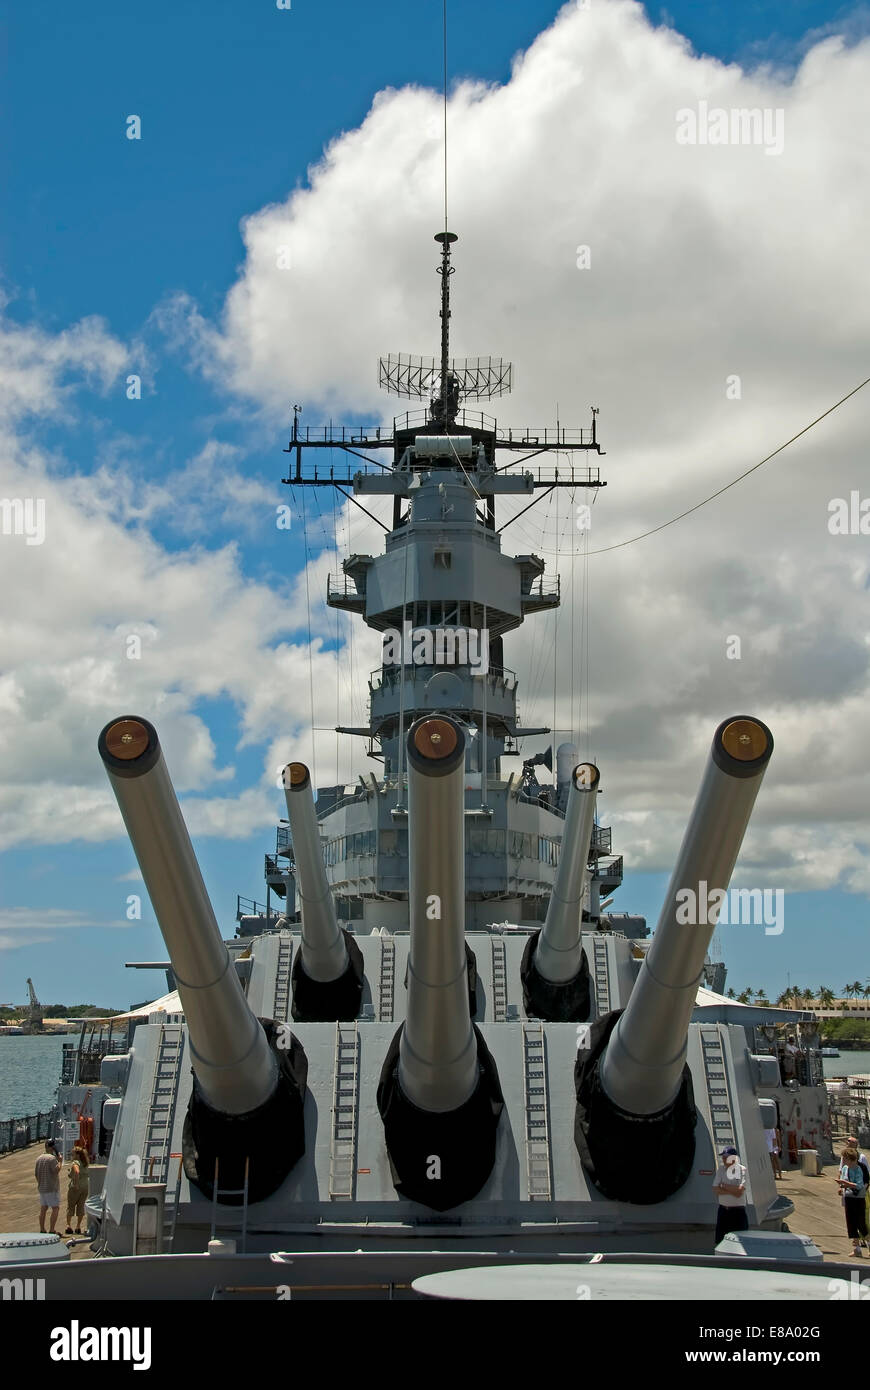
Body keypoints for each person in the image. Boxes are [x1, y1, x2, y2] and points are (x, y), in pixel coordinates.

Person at [712, 1145, 749, 1246]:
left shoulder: (742, 1170)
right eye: (723, 1157)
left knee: (740, 1242)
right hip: (723, 1211)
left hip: (738, 1213)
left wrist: (724, 1186)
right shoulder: (721, 1170)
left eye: (726, 1157)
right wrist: (733, 1190)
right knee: (720, 1242)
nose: (723, 1160)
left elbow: (740, 1192)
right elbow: (715, 1189)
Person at [837, 1145, 869, 1258]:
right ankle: (857, 1250)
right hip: (849, 1198)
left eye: (845, 1158)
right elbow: (844, 1180)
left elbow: (860, 1185)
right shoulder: (845, 1169)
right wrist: (842, 1187)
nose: (843, 1160)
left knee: (861, 1224)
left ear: (850, 1159)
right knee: (851, 1224)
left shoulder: (859, 1168)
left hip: (858, 1199)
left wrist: (846, 1184)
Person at [34, 1138, 62, 1234]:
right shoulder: (52, 1158)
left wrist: (40, 1183)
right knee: (55, 1208)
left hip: (42, 1188)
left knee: (43, 1208)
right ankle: (52, 1229)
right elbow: (56, 1170)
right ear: (53, 1148)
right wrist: (60, 1161)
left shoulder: (39, 1158)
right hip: (52, 1188)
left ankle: (42, 1229)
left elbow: (36, 1174)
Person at [65, 1143, 90, 1235]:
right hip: (85, 1186)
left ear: (77, 1155)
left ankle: (68, 1225)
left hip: (76, 1187)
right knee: (80, 1206)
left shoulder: (75, 1163)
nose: (72, 1156)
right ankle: (78, 1226)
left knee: (71, 1206)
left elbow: (76, 1171)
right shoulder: (85, 1163)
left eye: (73, 1154)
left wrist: (75, 1183)